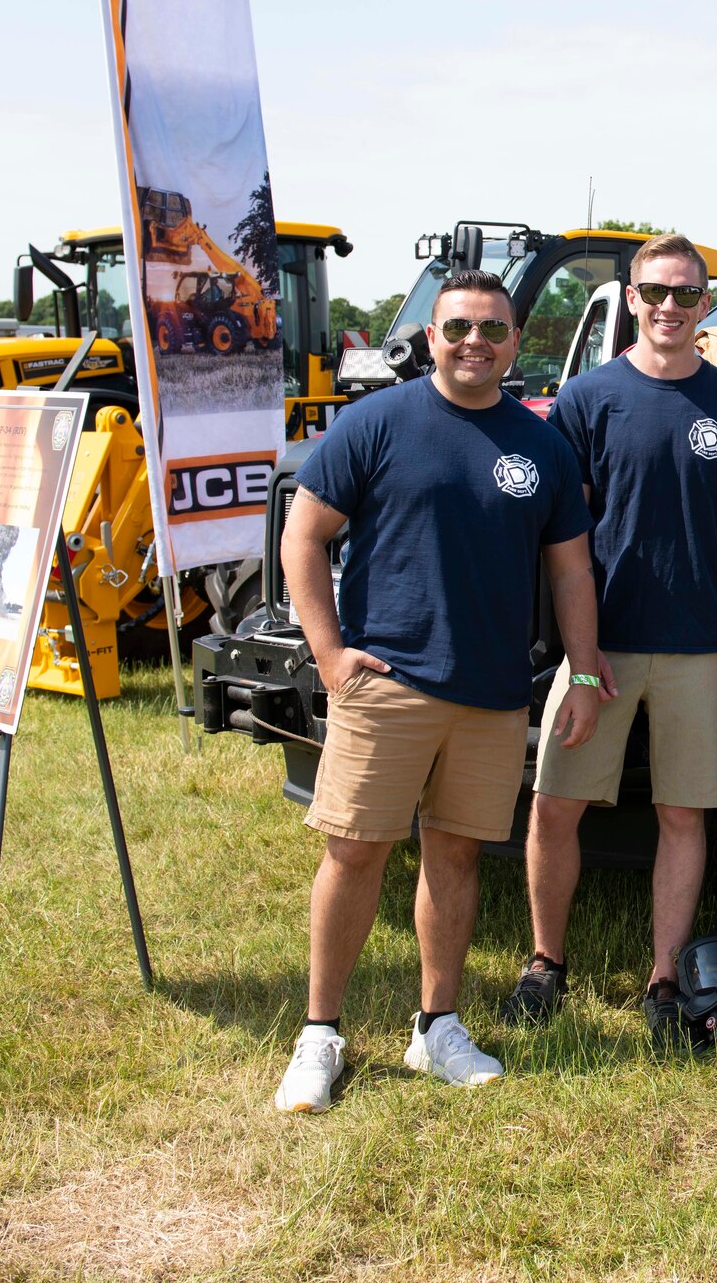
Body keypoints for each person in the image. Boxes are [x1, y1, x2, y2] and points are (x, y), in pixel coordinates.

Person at [273, 270, 599, 1113]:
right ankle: (320, 1034)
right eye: (457, 327)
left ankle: (438, 1026)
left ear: (515, 342)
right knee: (356, 850)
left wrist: (587, 669)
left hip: (491, 691)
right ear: (430, 336)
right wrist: (331, 653)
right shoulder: (376, 421)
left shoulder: (542, 446)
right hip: (387, 681)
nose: (474, 342)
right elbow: (303, 536)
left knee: (454, 855)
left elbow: (570, 570)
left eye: (492, 328)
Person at [506, 234, 717, 1042]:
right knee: (555, 804)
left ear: (706, 304)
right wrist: (580, 657)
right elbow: (563, 543)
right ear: (631, 299)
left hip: (700, 646)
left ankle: (665, 978)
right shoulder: (588, 401)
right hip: (599, 650)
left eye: (686, 294)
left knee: (682, 815)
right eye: (655, 292)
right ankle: (545, 962)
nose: (670, 306)